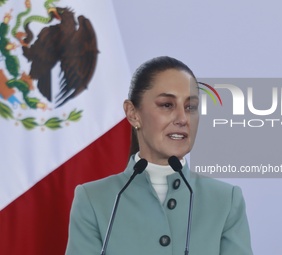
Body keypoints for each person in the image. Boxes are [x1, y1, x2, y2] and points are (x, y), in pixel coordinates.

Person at [65, 56, 253, 255]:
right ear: (133, 113)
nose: (182, 119)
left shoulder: (225, 201)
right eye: (167, 105)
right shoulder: (94, 200)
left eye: (191, 107)